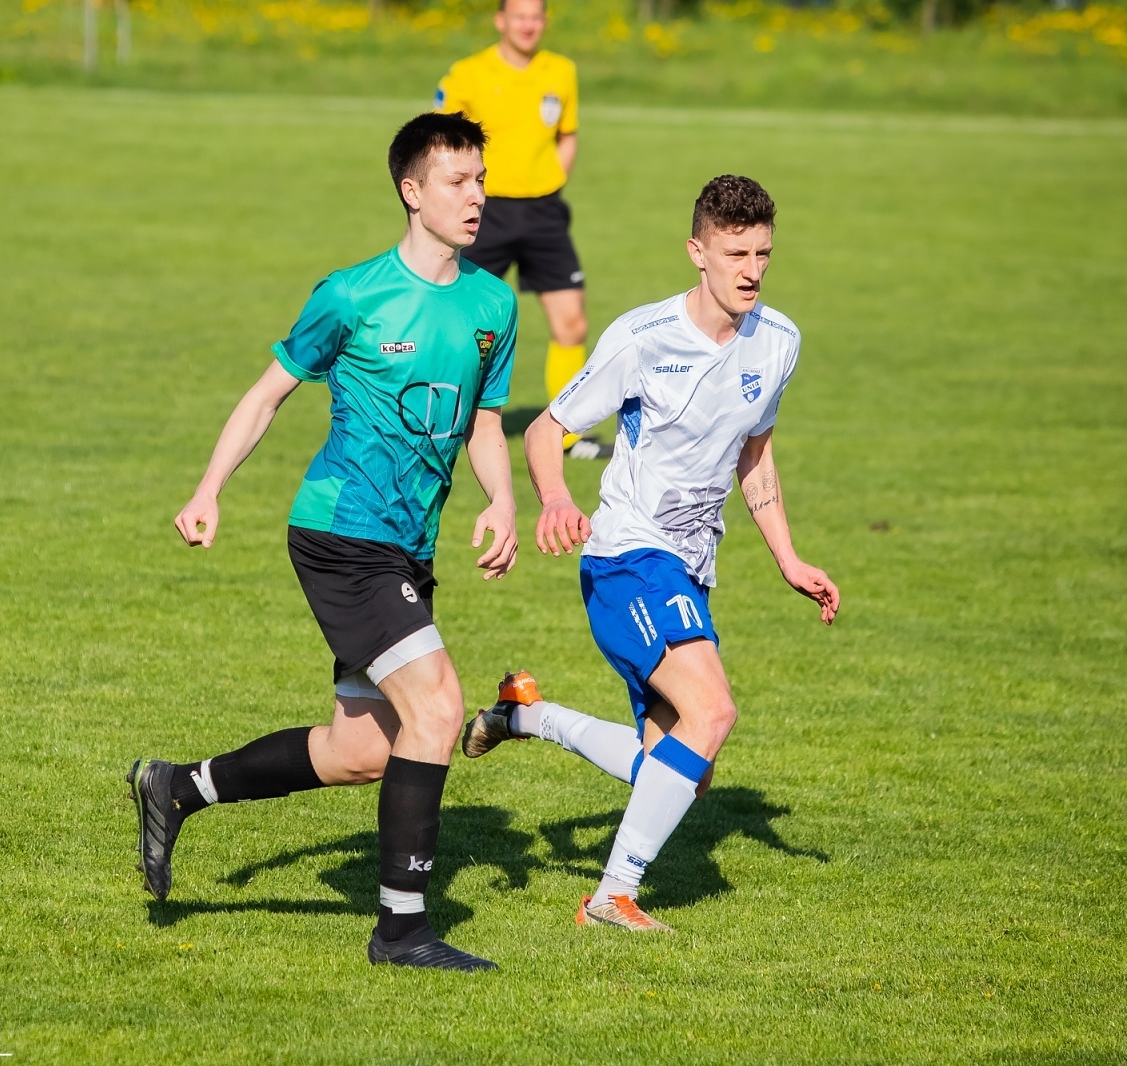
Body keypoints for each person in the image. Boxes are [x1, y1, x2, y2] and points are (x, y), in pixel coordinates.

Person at [128, 112, 519, 972]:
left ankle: (176, 786)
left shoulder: (494, 303)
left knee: (360, 753)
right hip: (341, 534)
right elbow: (268, 392)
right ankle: (402, 930)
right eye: (458, 181)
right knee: (439, 708)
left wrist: (502, 498)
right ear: (412, 193)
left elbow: (485, 422)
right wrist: (208, 489)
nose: (477, 196)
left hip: (409, 546)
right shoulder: (351, 293)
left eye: (482, 179)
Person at [461, 175, 840, 931]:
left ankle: (523, 717)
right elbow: (545, 430)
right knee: (713, 710)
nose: (752, 269)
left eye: (763, 252)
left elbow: (754, 456)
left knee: (675, 775)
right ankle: (611, 897)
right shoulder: (643, 338)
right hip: (628, 558)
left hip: (691, 570)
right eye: (735, 252)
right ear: (697, 251)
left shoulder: (780, 342)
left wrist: (789, 560)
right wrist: (559, 499)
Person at [436, 0, 609, 459]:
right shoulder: (469, 73)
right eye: (520, 16)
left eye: (536, 16)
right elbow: (440, 141)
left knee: (572, 322)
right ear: (501, 21)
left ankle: (571, 437)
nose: (528, 25)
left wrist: (556, 175)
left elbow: (566, 133)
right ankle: (443, 419)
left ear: (544, 21)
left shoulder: (561, 70)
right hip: (484, 210)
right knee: (461, 321)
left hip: (544, 213)